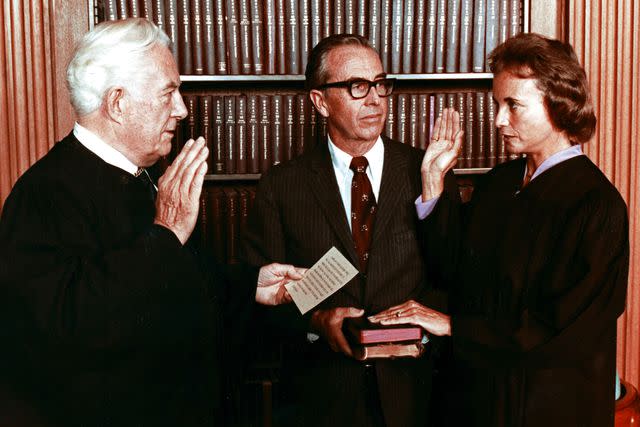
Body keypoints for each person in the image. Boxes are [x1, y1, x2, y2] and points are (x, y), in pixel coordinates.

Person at [0, 18, 304, 427]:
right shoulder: (45, 194)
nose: (181, 109)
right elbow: (66, 331)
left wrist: (251, 286)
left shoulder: (138, 177)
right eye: (168, 93)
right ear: (118, 103)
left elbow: (174, 292)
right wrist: (165, 234)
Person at [369, 33, 630, 426]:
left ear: (557, 104)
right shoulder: (499, 183)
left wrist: (456, 326)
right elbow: (451, 271)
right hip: (482, 400)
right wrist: (433, 180)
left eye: (513, 105)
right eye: (497, 104)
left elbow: (560, 330)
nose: (498, 120)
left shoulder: (596, 205)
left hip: (547, 408)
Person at [241, 34, 459, 427]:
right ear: (320, 101)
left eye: (380, 84)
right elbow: (257, 301)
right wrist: (314, 323)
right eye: (357, 87)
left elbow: (452, 274)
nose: (375, 99)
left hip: (414, 395)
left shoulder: (427, 170)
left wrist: (420, 337)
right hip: (323, 400)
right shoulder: (281, 185)